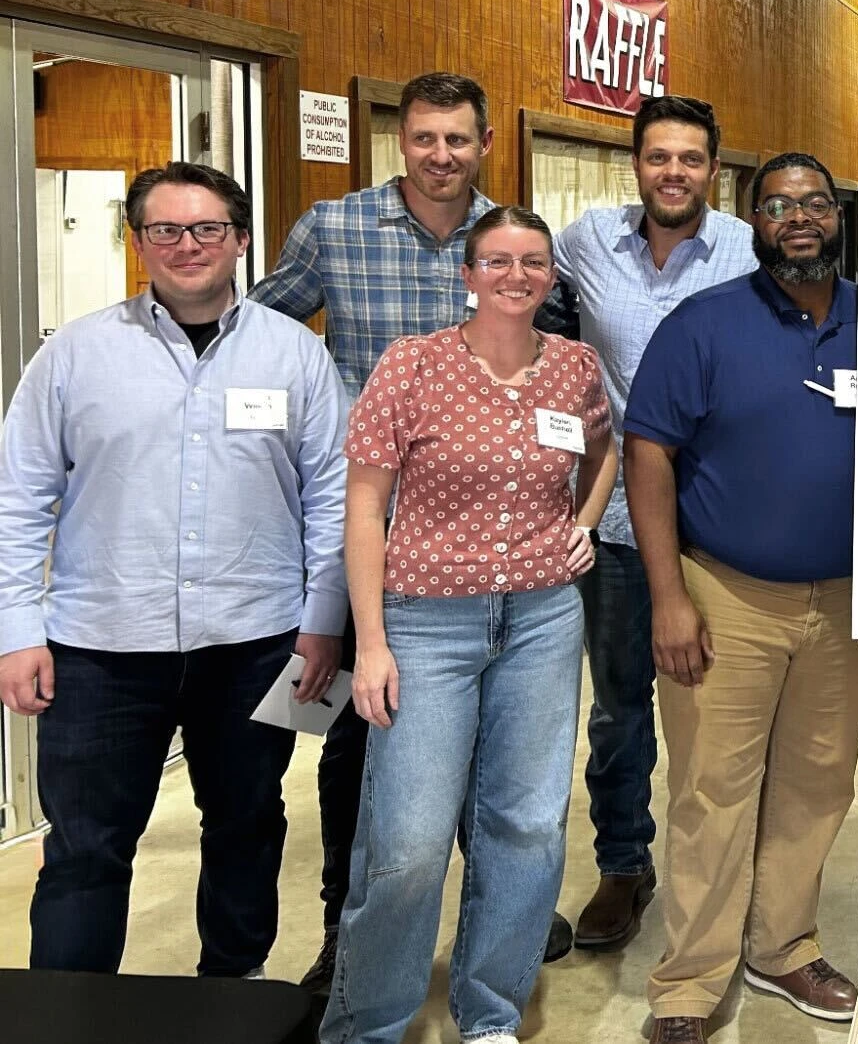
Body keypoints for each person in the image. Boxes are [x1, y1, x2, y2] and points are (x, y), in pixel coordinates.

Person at [254, 72, 570, 981]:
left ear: (483, 145)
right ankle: (349, 929)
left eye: (458, 140)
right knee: (360, 734)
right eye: (425, 138)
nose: (441, 155)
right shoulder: (335, 227)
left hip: (490, 537)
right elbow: (261, 329)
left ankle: (499, 914)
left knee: (492, 741)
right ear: (401, 139)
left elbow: (560, 358)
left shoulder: (508, 240)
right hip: (373, 527)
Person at [0, 162, 348, 977]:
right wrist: (16, 630)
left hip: (258, 643)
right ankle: (70, 1018)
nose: (187, 245)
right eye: (165, 229)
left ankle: (233, 993)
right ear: (138, 241)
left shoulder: (296, 355)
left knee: (248, 824)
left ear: (241, 240)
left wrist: (323, 624)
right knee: (85, 849)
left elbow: (333, 498)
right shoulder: (75, 355)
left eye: (207, 229)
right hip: (100, 649)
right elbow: (18, 498)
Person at [317, 205, 615, 1044]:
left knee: (526, 825)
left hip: (542, 619)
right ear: (468, 275)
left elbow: (603, 454)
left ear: (550, 276)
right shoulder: (412, 365)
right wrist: (371, 644)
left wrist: (584, 524)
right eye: (497, 262)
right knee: (408, 841)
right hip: (425, 625)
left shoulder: (575, 367)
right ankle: (369, 1023)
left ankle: (490, 1014)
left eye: (532, 263)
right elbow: (364, 508)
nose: (516, 276)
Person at [623, 151, 858, 1044]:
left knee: (819, 783)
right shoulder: (704, 325)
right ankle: (689, 983)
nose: (799, 218)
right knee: (711, 790)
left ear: (838, 217)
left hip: (851, 600)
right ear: (752, 223)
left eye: (815, 203)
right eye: (777, 206)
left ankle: (782, 946)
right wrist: (668, 595)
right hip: (726, 593)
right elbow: (648, 453)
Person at [538, 94, 755, 949]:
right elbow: (519, 295)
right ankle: (623, 865)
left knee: (722, 714)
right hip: (619, 523)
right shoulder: (587, 241)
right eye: (658, 156)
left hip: (722, 520)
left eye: (690, 159)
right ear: (635, 164)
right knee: (619, 710)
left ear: (714, 169)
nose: (673, 172)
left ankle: (727, 875)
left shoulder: (746, 249)